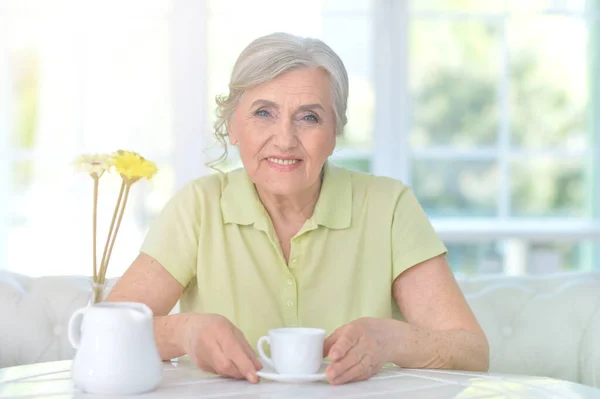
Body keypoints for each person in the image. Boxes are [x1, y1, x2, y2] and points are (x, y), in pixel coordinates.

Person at [106, 32, 489, 385]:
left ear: (334, 133)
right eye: (263, 113)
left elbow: (472, 351)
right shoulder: (198, 206)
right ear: (232, 126)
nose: (285, 139)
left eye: (309, 117)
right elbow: (107, 331)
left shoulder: (389, 206)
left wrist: (393, 341)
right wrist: (184, 332)